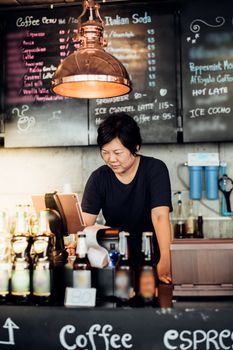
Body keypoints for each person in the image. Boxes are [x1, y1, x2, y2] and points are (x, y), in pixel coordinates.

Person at [81, 113, 172, 284]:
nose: (111, 159)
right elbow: (85, 223)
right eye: (105, 152)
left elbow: (160, 217)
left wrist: (166, 260)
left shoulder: (154, 170)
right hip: (114, 261)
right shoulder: (99, 178)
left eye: (118, 152)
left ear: (135, 147)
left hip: (151, 259)